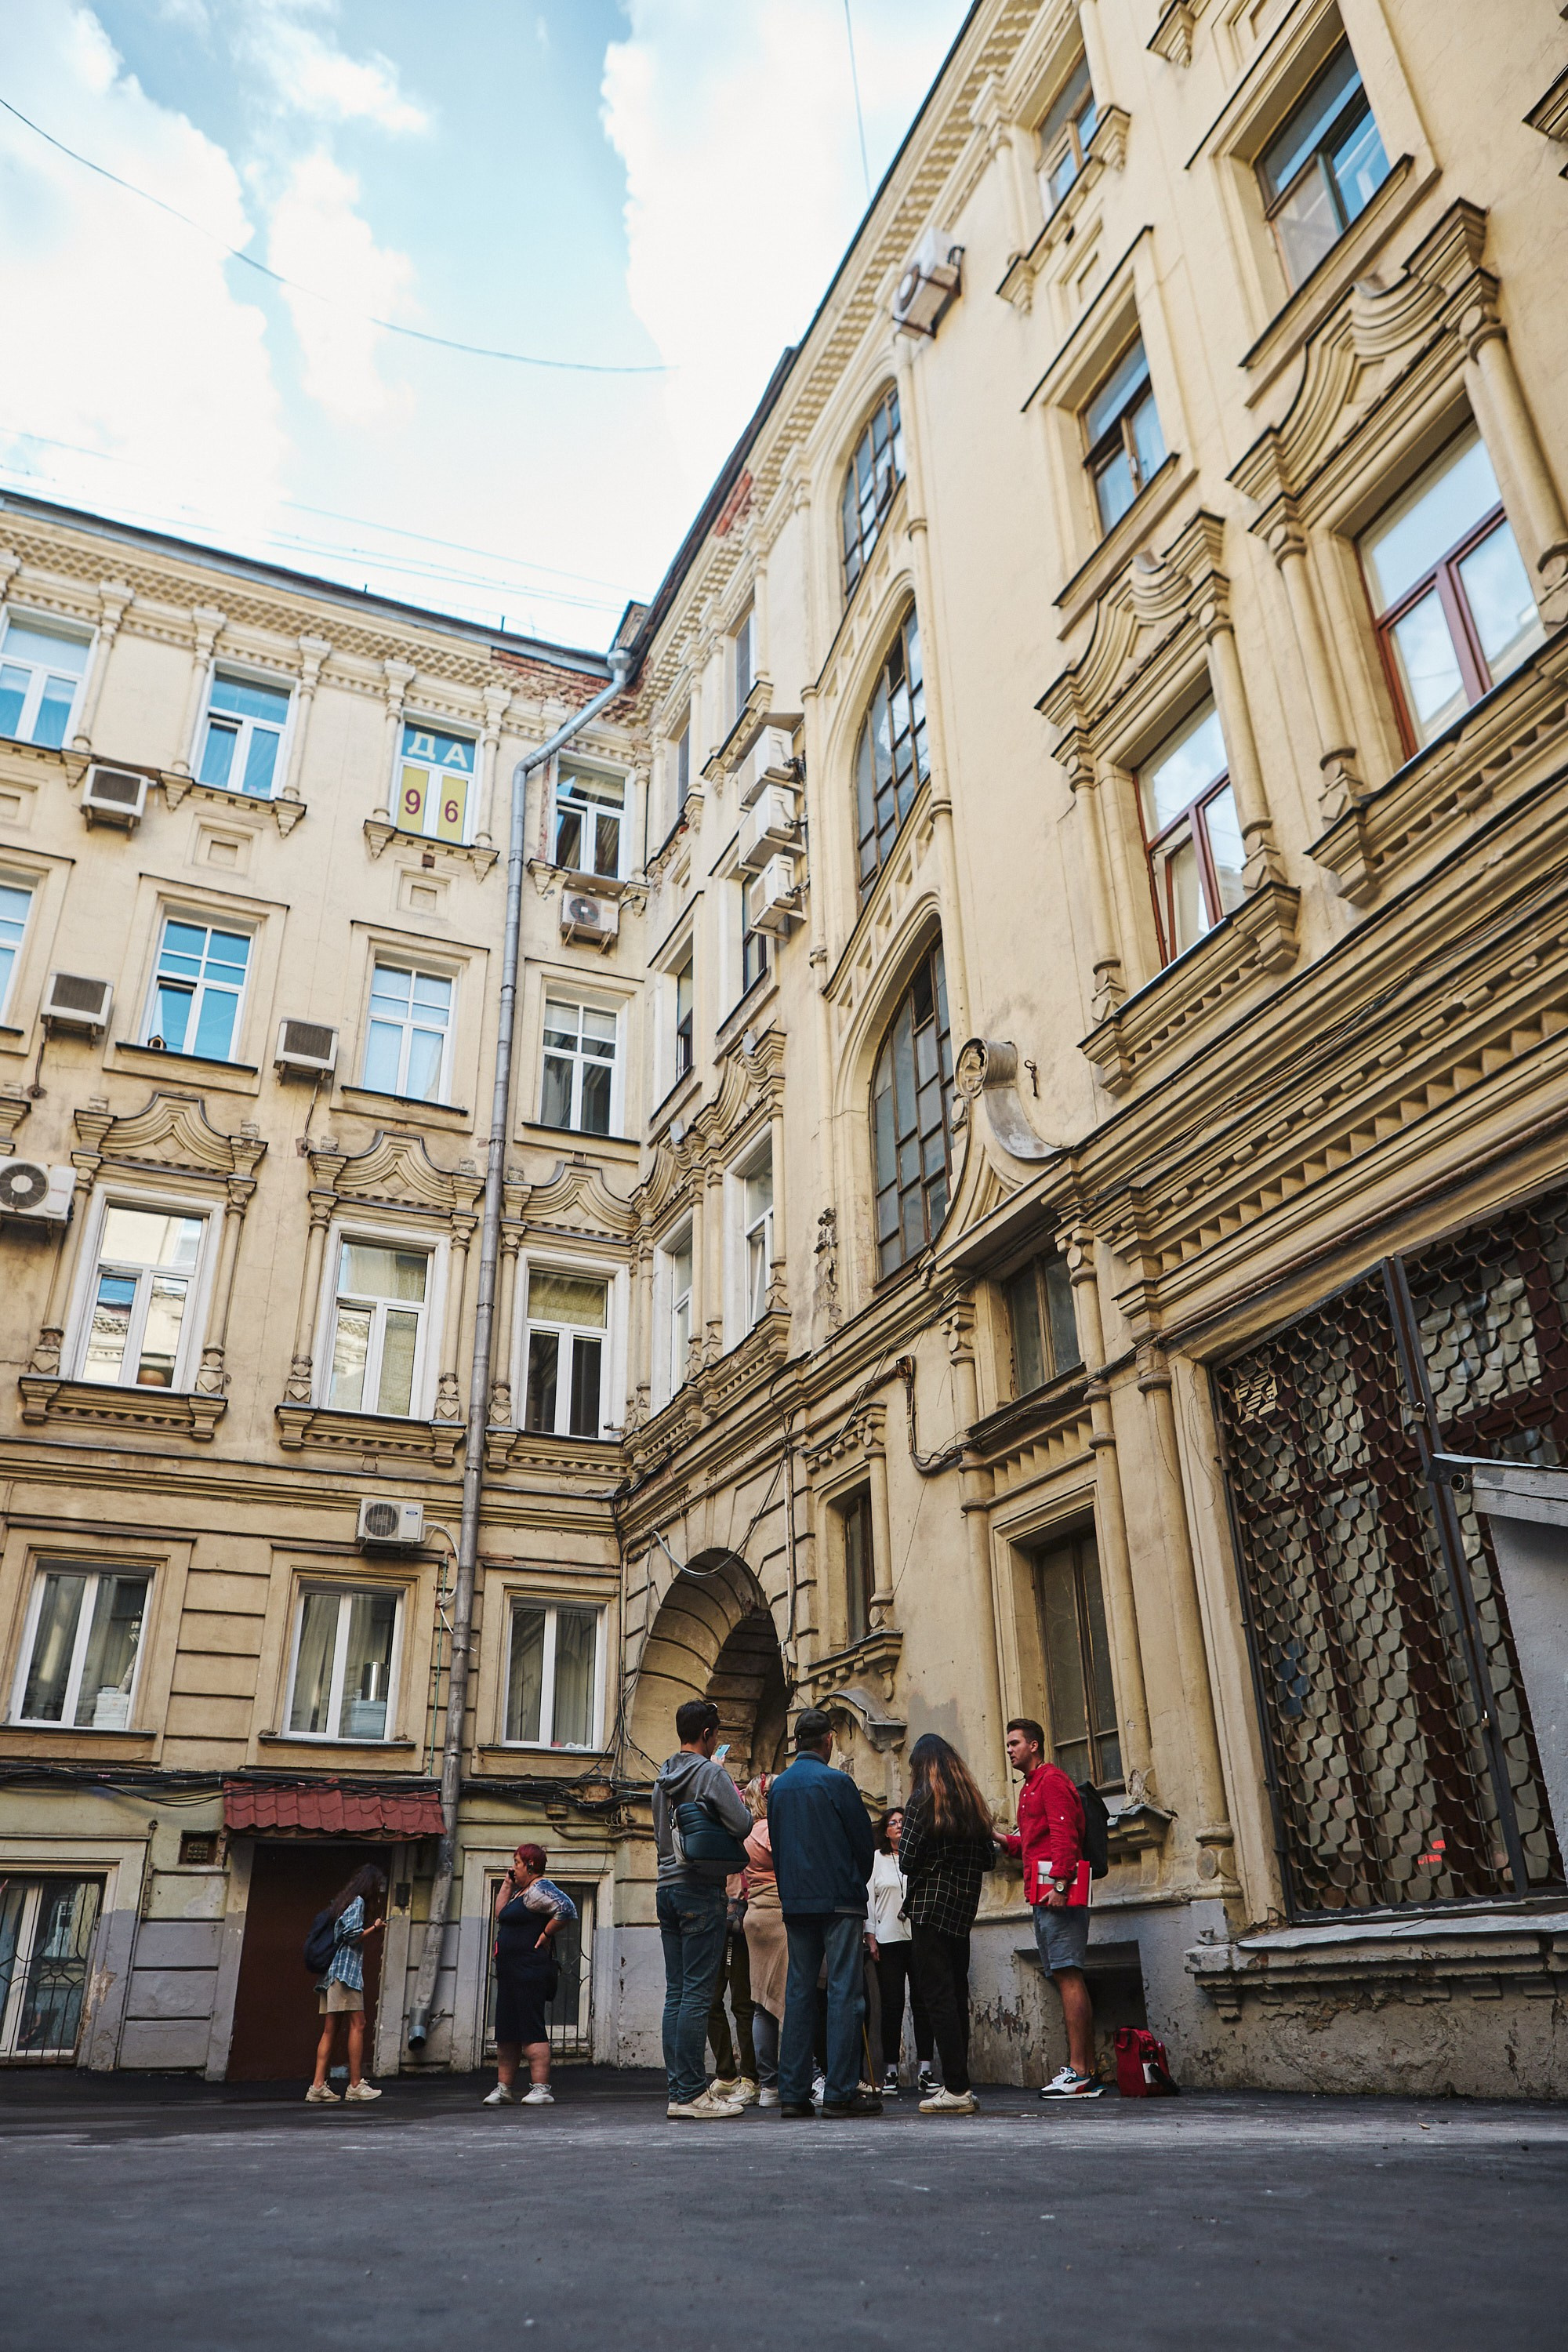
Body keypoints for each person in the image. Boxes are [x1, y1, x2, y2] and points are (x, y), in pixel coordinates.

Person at [766, 1708, 880, 2119]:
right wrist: (854, 1881)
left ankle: (794, 2093)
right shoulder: (837, 1781)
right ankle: (838, 2092)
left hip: (797, 1902)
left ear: (798, 1742)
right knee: (844, 1994)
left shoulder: (778, 1789)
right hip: (839, 1900)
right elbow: (862, 1845)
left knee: (798, 1995)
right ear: (828, 1741)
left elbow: (778, 1845)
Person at [652, 1697, 754, 2120]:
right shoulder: (711, 1773)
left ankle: (679, 2091)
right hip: (700, 1889)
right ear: (708, 1735)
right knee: (696, 1994)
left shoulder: (663, 1776)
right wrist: (731, 1792)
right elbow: (744, 1825)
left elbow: (661, 1834)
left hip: (666, 1888)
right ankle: (694, 2093)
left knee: (676, 1993)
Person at [1000, 1716, 1102, 2098]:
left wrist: (1060, 1884)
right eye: (1008, 1744)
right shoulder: (1029, 1788)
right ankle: (1085, 2071)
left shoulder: (1051, 1780)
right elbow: (1032, 1842)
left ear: (1034, 1745)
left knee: (1068, 1973)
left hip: (1058, 1895)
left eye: (1015, 1743)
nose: (1010, 1750)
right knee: (1063, 1974)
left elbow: (1065, 1835)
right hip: (1041, 1894)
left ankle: (1080, 2073)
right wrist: (1001, 1839)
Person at [899, 1733, 995, 2116]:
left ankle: (955, 2088)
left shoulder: (923, 1799)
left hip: (929, 1909)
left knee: (936, 1997)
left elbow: (906, 1858)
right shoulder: (972, 1802)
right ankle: (961, 2083)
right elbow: (988, 1859)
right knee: (957, 1996)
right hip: (962, 1911)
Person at [483, 1843, 578, 2107]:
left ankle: (541, 2088)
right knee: (508, 2030)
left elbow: (567, 1909)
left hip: (529, 1971)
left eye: (516, 1863)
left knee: (529, 2027)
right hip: (511, 1972)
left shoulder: (540, 1888)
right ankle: (504, 2088)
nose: (512, 1867)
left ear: (531, 1866)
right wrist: (506, 1885)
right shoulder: (522, 1891)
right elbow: (501, 1914)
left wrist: (546, 1934)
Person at [866, 1807, 935, 2096]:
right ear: (885, 1831)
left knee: (923, 2002)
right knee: (892, 2005)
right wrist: (870, 1935)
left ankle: (926, 2069)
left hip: (918, 1937)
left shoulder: (918, 1857)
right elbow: (869, 1898)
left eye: (903, 1822)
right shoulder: (876, 1860)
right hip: (888, 1939)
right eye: (892, 1823)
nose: (898, 1827)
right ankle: (891, 2070)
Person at [307, 1864, 386, 2104]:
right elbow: (351, 1936)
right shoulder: (358, 1903)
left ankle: (317, 2086)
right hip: (345, 1974)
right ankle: (355, 2085)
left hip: (332, 1974)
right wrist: (375, 1928)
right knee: (359, 2024)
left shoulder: (342, 1902)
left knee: (330, 2029)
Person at [739, 1776, 785, 2107]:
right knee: (791, 1998)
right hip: (778, 1914)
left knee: (762, 2003)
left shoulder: (747, 1832)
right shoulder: (771, 1830)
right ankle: (802, 2077)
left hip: (754, 1912)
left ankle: (768, 2084)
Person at [706, 1858, 758, 2106]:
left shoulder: (745, 1833)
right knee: (710, 2001)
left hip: (740, 1922)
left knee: (743, 2004)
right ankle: (726, 2074)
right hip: (713, 1919)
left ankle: (750, 2077)